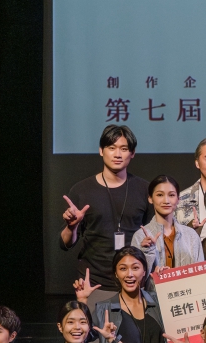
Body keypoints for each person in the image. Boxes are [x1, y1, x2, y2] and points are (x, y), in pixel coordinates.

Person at [59, 125, 152, 292]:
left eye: (124, 149)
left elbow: (153, 234)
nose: (117, 154)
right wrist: (71, 227)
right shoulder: (81, 190)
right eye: (111, 148)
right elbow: (65, 244)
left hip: (134, 282)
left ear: (132, 153)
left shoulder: (144, 189)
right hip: (94, 282)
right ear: (101, 151)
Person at [131, 174, 204, 272]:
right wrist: (147, 253)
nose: (166, 201)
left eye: (171, 195)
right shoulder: (140, 236)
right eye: (160, 195)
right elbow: (135, 275)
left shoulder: (191, 235)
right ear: (150, 199)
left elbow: (200, 273)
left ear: (178, 199)